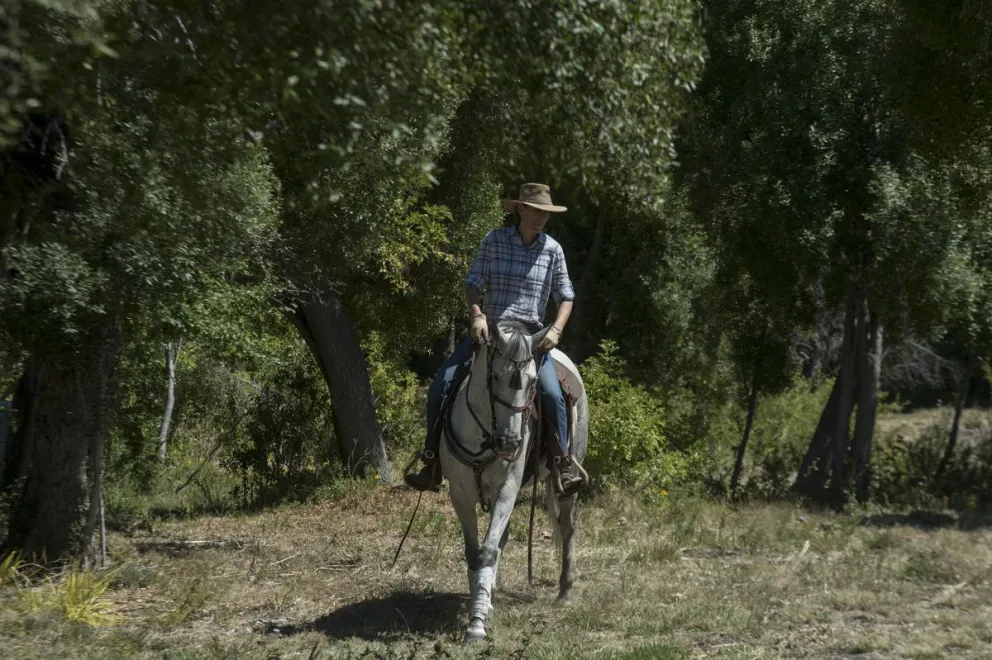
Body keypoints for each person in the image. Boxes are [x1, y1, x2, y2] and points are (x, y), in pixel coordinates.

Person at [404, 183, 582, 494]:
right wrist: (476, 315)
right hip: (491, 332)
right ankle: (431, 460)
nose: (541, 217)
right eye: (536, 210)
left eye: (546, 212)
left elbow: (566, 295)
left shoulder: (553, 250)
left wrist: (556, 329)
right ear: (521, 210)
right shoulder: (494, 240)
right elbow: (472, 282)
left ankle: (562, 464)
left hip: (530, 339)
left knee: (553, 396)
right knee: (442, 384)